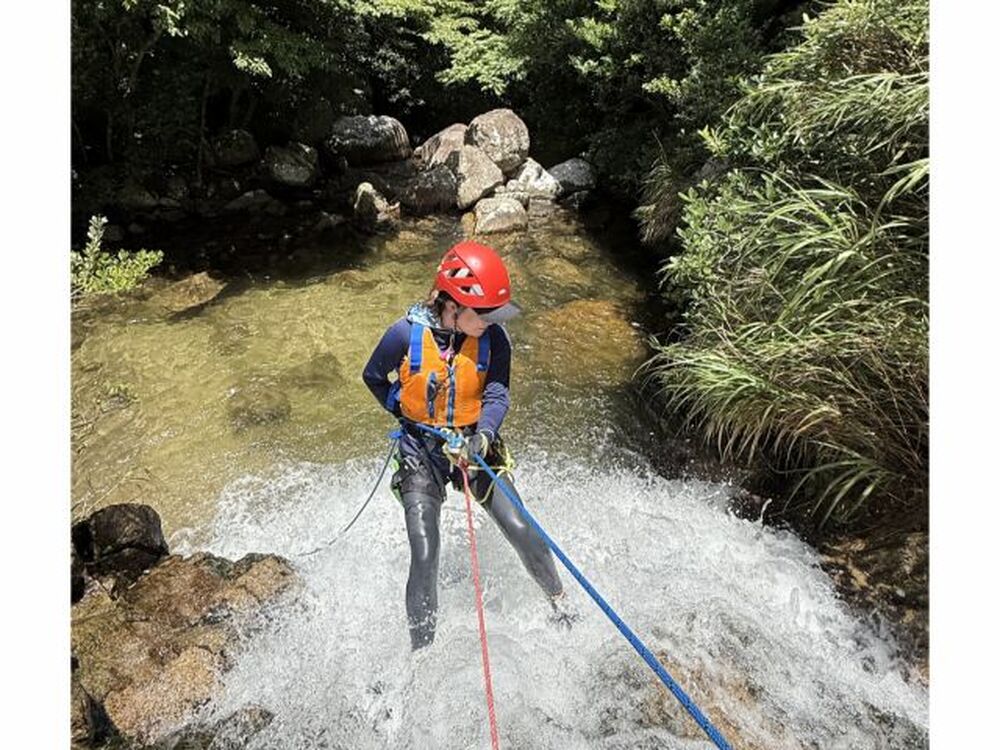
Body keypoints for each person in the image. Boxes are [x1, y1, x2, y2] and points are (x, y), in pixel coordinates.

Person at [362, 240, 577, 650]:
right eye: (484, 314)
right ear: (452, 305)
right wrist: (401, 410)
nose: (492, 322)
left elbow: (496, 395)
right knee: (425, 551)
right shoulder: (403, 335)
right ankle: (422, 653)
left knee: (521, 527)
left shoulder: (495, 340)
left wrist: (483, 435)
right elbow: (373, 377)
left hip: (475, 444)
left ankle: (561, 604)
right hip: (421, 452)